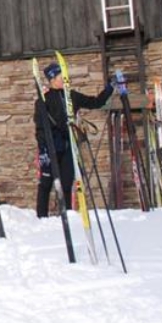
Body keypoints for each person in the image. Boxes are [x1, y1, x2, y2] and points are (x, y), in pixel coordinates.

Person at [33, 61, 115, 218]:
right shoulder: (44, 100)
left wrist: (110, 88)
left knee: (66, 182)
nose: (64, 79)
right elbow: (40, 127)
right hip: (50, 146)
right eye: (60, 76)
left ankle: (67, 215)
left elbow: (96, 102)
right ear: (52, 80)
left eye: (64, 76)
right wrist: (44, 149)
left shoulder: (72, 96)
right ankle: (41, 218)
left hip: (68, 145)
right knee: (46, 183)